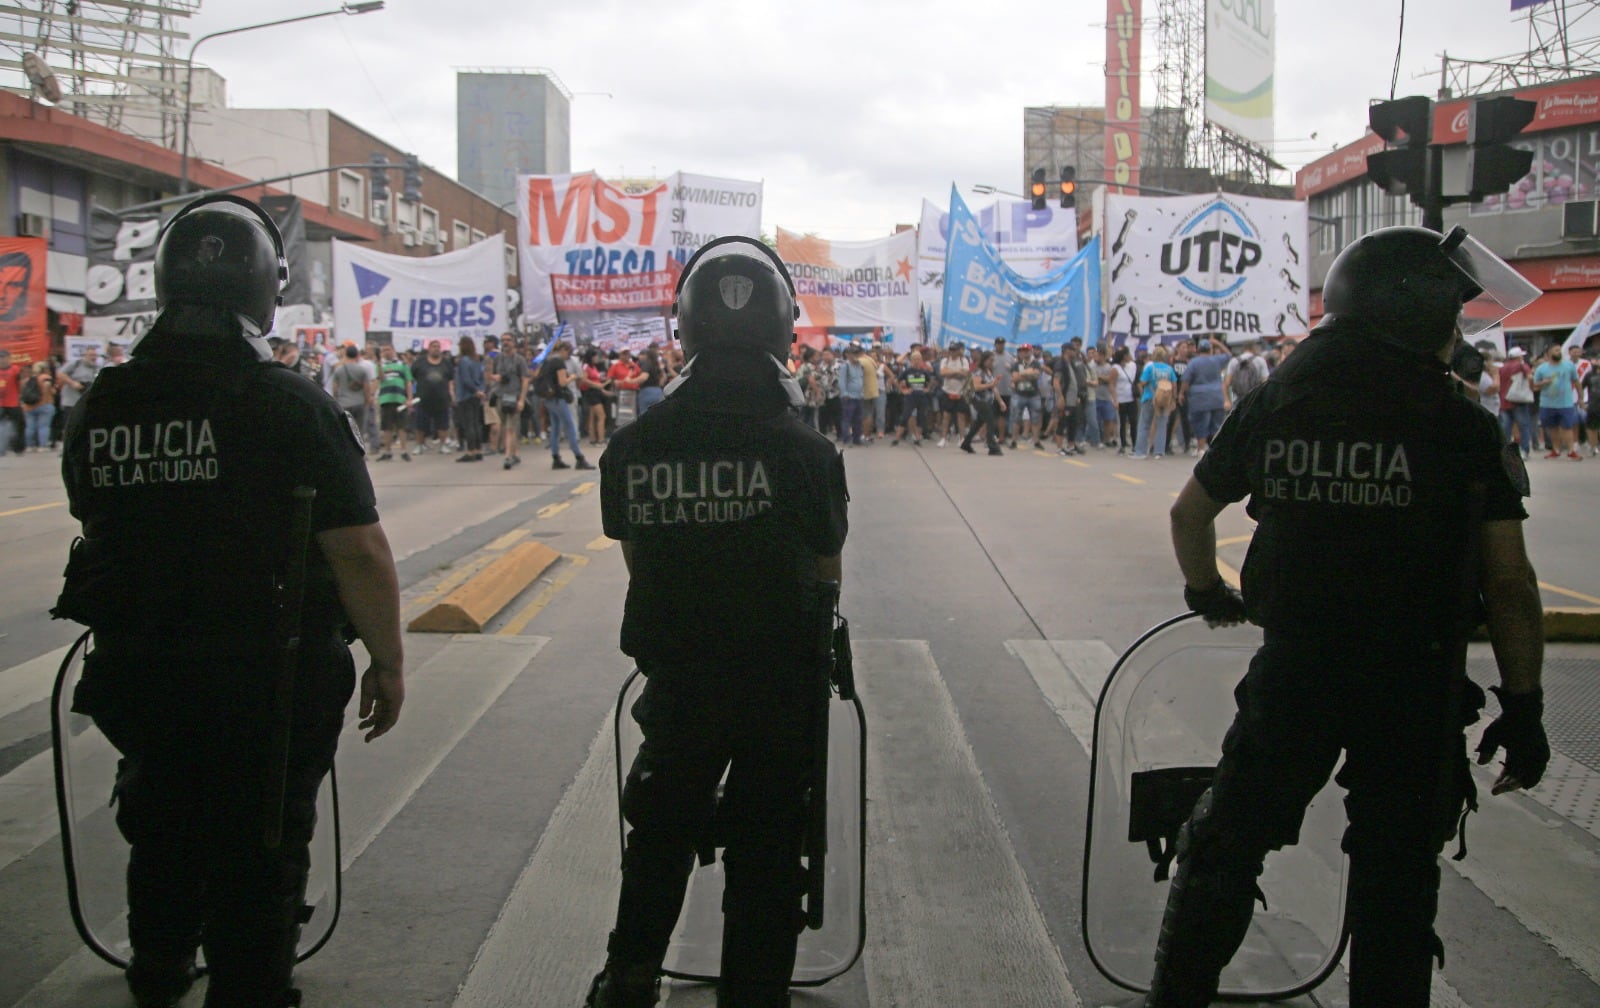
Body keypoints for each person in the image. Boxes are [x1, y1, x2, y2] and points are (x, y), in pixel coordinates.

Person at [1142, 225, 1547, 1008]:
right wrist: (1523, 706)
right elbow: (1510, 583)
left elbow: (1189, 515)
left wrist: (1207, 594)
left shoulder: (1279, 400)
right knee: (1398, 880)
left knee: (1224, 846)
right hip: (1415, 681)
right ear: (1414, 314)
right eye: (1451, 316)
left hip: (1298, 671)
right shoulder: (1462, 424)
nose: (1458, 334)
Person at [58, 194, 405, 1008]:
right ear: (263, 289)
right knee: (262, 835)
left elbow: (93, 514)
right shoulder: (288, 402)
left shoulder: (105, 400)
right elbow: (357, 550)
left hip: (141, 664)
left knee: (160, 815)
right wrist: (388, 663)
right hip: (265, 671)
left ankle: (159, 966)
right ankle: (250, 984)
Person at [589, 236, 847, 1008]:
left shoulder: (634, 446)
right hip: (779, 689)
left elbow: (639, 559)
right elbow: (826, 573)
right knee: (768, 850)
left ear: (685, 327)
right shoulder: (808, 452)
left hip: (681, 682)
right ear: (782, 328)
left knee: (660, 835)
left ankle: (630, 978)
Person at [536, 340, 592, 470]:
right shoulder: (558, 362)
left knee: (555, 427)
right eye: (568, 352)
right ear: (562, 350)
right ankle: (579, 457)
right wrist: (572, 377)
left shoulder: (547, 361)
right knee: (570, 426)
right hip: (558, 398)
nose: (569, 355)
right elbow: (562, 382)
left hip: (549, 399)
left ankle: (556, 457)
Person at [1532, 343, 1582, 460]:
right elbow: (1534, 386)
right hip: (1547, 403)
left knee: (1567, 427)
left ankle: (1571, 450)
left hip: (1566, 403)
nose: (1559, 352)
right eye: (1556, 350)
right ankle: (1556, 450)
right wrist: (1543, 383)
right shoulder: (1542, 368)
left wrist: (1580, 397)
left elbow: (1576, 381)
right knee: (1552, 427)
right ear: (1549, 353)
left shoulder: (1569, 366)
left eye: (1559, 350)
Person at [410, 340, 455, 454]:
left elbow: (451, 380)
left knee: (443, 425)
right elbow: (412, 377)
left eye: (438, 347)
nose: (436, 348)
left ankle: (443, 445)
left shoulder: (446, 363)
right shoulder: (420, 362)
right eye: (434, 346)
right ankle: (419, 445)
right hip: (423, 399)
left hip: (442, 399)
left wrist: (452, 394)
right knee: (420, 425)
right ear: (429, 348)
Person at [959, 349, 1005, 456]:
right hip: (979, 400)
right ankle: (992, 446)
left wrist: (1000, 401)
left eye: (993, 360)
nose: (992, 362)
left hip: (988, 401)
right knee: (991, 421)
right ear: (984, 360)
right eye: (990, 360)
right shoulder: (979, 372)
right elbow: (976, 387)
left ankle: (966, 442)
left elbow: (994, 388)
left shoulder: (989, 372)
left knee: (978, 423)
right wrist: (990, 385)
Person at [375, 343, 414, 462]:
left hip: (400, 399)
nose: (386, 352)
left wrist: (409, 398)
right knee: (387, 427)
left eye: (388, 349)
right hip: (386, 399)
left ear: (393, 350)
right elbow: (380, 378)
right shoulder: (381, 365)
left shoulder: (402, 365)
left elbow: (408, 382)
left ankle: (403, 451)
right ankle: (387, 451)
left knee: (402, 426)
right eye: (384, 350)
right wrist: (379, 366)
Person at [452, 336, 487, 463]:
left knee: (468, 424)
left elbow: (466, 379)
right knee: (476, 423)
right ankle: (478, 450)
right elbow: (482, 377)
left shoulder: (464, 361)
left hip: (466, 395)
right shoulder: (477, 360)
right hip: (477, 396)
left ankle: (470, 451)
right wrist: (481, 390)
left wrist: (474, 390)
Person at [1498, 345, 1536, 458]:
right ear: (1519, 357)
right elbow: (1530, 377)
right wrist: (1531, 388)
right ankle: (1524, 450)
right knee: (1523, 426)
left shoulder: (1502, 368)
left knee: (1506, 428)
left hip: (1504, 401)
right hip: (1518, 401)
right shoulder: (1521, 365)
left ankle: (1505, 451)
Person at [21, 360, 55, 451]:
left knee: (29, 427)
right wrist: (46, 395)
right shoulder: (45, 377)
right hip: (44, 405)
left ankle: (29, 445)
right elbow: (48, 385)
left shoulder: (27, 379)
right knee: (43, 426)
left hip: (29, 406)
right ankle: (42, 445)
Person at [0, 347, 24, 454]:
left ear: (9, 358)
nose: (2, 360)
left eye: (4, 357)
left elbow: (21, 384)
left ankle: (18, 448)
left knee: (18, 425)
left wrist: (21, 396)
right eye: (0, 358)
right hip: (0, 404)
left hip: (13, 403)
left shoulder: (15, 370)